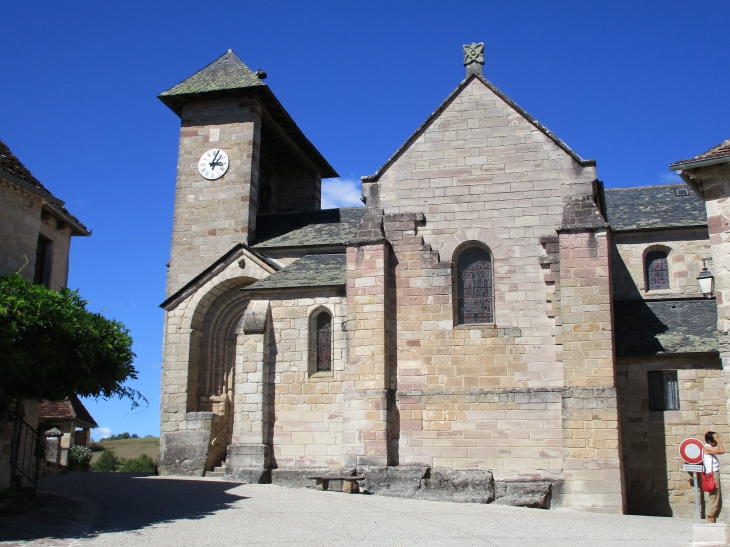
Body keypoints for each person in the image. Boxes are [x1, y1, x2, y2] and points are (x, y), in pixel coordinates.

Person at [704, 431, 724, 523]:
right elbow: (722, 451)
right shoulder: (707, 448)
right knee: (714, 497)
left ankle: (712, 520)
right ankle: (710, 521)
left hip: (713, 474)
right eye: (714, 440)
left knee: (716, 497)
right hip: (712, 475)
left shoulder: (709, 449)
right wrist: (718, 440)